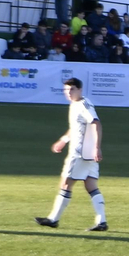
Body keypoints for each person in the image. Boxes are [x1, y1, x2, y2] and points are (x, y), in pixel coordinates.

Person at [34, 77, 108, 231]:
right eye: (66, 90)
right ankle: (102, 221)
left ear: (80, 90)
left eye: (72, 89)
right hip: (87, 152)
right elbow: (75, 127)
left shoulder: (83, 105)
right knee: (91, 185)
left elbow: (96, 123)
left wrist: (96, 147)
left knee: (66, 184)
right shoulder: (76, 105)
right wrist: (63, 140)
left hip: (80, 152)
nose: (68, 92)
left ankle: (53, 219)